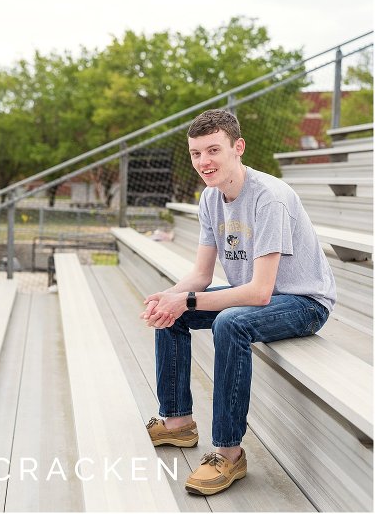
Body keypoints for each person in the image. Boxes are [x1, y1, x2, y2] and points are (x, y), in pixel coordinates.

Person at [140, 108, 335, 495]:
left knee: (231, 322)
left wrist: (188, 300)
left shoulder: (269, 198)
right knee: (173, 313)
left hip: (303, 302)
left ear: (238, 148)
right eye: (196, 154)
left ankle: (228, 454)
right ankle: (178, 423)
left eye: (213, 150)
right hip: (253, 297)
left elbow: (261, 293)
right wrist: (170, 296)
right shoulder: (210, 199)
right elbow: (200, 275)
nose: (204, 162)